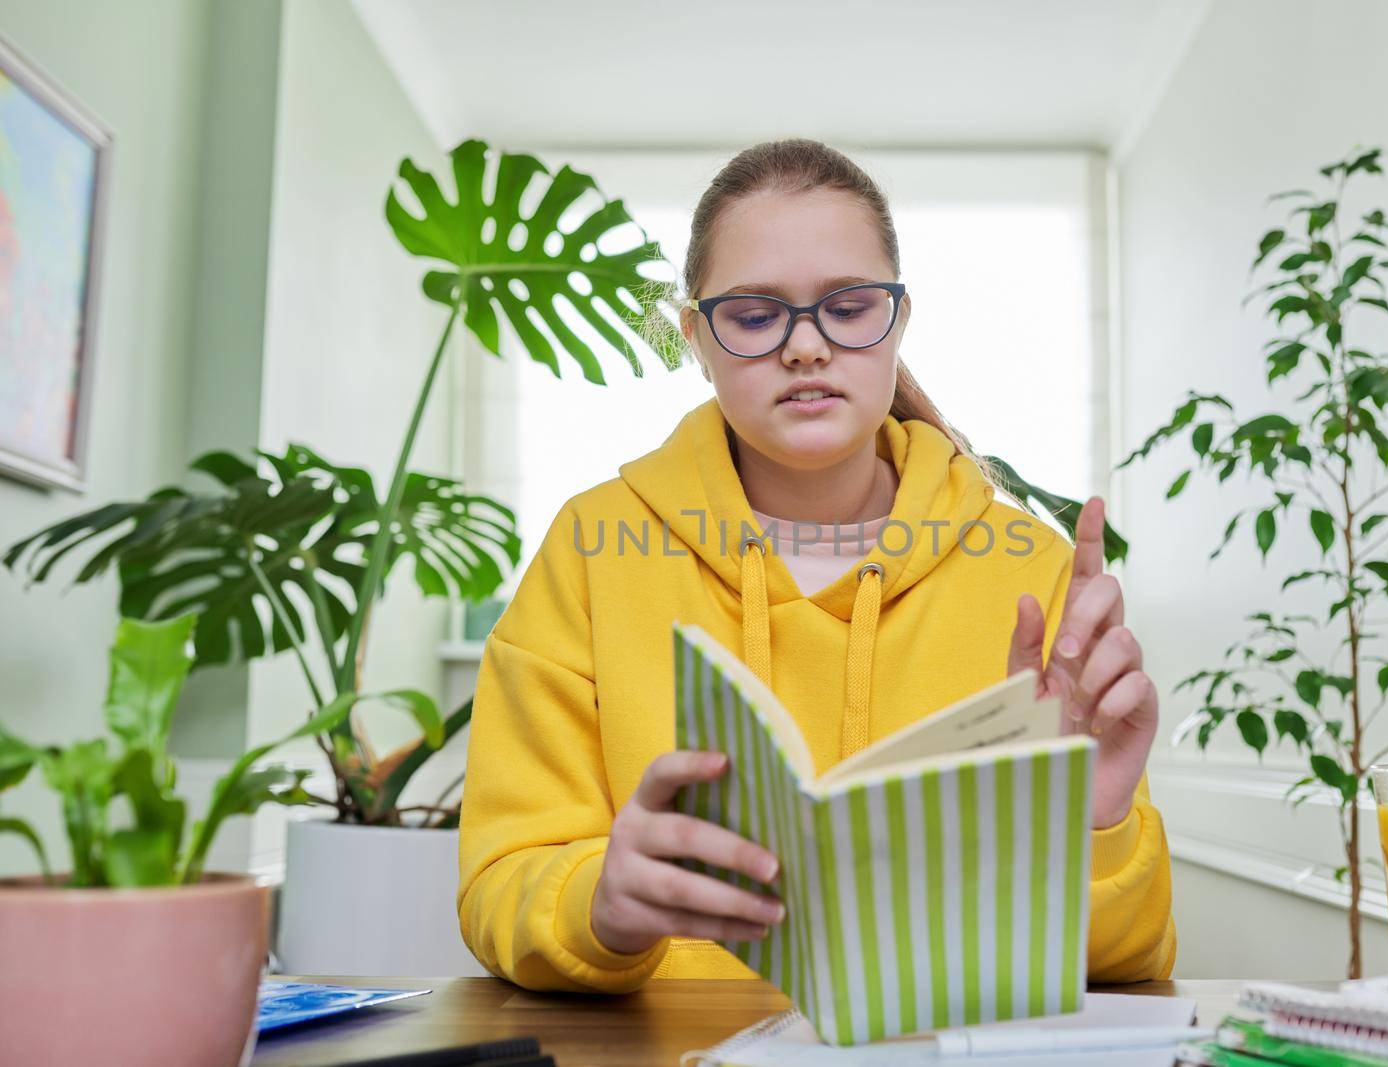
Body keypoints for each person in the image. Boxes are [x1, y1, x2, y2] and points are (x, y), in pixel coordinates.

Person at [457, 138, 1176, 993]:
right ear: (697, 336)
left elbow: (1131, 956)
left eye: (849, 305)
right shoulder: (591, 547)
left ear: (898, 321)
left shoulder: (1030, 571)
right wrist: (599, 901)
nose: (805, 347)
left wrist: (1092, 825)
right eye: (756, 315)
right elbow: (501, 883)